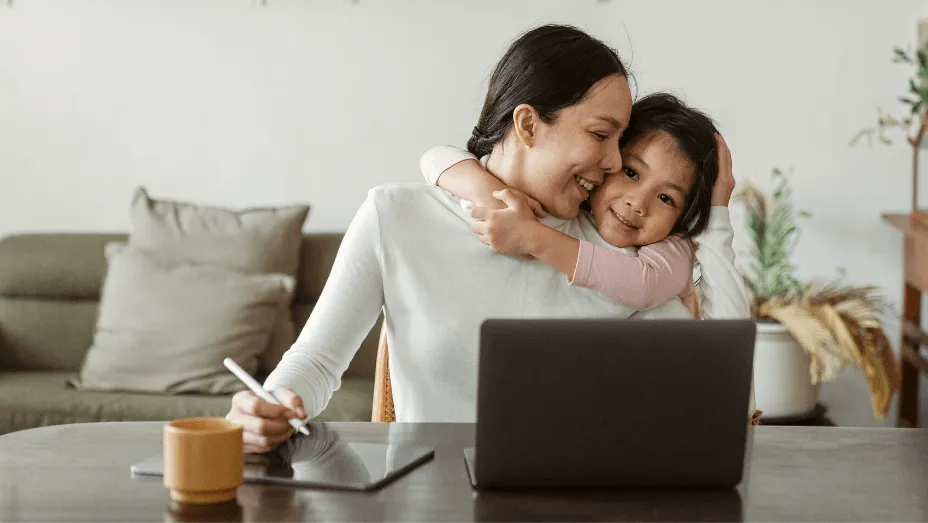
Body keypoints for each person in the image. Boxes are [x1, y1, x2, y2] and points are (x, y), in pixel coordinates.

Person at [226, 24, 750, 454]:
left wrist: (718, 217)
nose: (614, 163)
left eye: (620, 141)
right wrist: (269, 404)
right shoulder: (396, 217)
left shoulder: (621, 255)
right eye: (599, 135)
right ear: (528, 124)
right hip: (428, 504)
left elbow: (724, 389)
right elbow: (316, 363)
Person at [419, 93, 730, 317]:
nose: (638, 203)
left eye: (667, 198)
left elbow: (643, 284)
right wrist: (490, 193)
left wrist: (533, 238)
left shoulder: (674, 248)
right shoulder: (569, 209)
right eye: (631, 173)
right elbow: (435, 157)